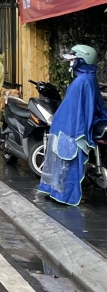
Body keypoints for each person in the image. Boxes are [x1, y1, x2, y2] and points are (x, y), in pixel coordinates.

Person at [39, 45, 107, 206]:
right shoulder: (86, 79)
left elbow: (82, 111)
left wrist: (77, 131)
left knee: (66, 163)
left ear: (83, 60)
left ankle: (65, 196)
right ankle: (57, 192)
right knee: (62, 162)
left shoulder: (83, 82)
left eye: (75, 59)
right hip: (66, 125)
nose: (72, 62)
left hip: (70, 128)